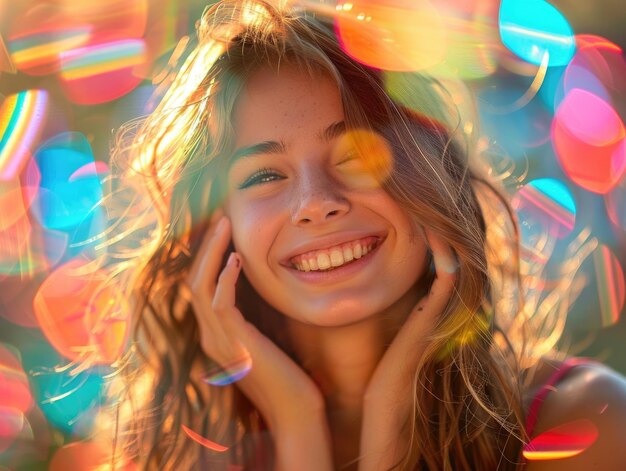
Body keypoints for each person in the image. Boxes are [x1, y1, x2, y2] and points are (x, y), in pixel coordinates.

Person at [104, 0, 626, 469]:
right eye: (264, 175)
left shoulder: (583, 424)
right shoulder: (180, 459)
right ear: (216, 233)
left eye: (357, 155)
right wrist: (298, 429)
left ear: (433, 175)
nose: (315, 203)